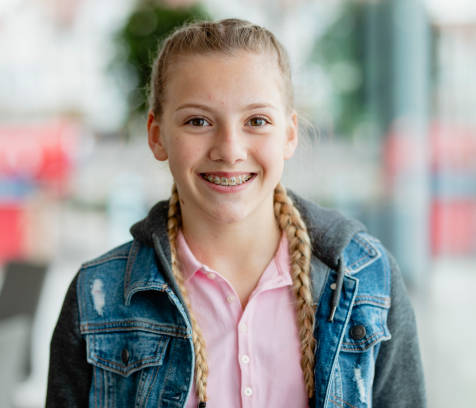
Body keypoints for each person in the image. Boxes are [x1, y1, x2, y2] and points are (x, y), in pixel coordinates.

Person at [46, 18, 425, 408]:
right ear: (157, 135)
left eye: (256, 121)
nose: (229, 150)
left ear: (289, 135)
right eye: (198, 121)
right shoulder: (98, 295)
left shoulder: (368, 279)